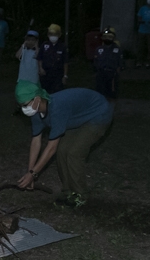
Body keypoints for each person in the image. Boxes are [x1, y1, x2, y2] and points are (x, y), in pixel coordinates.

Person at [15, 80, 113, 208]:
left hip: (98, 113)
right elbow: (36, 141)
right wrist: (30, 172)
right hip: (74, 118)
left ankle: (80, 194)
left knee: (74, 153)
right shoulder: (36, 112)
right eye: (21, 106)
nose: (24, 109)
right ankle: (68, 191)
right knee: (62, 151)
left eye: (26, 104)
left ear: (38, 99)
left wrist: (33, 174)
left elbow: (51, 148)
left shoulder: (57, 108)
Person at [37, 24, 68, 94]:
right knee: (45, 92)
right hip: (46, 73)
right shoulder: (44, 45)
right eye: (51, 34)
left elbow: (65, 62)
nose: (53, 36)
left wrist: (65, 75)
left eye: (55, 34)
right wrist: (40, 68)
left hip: (58, 74)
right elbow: (40, 58)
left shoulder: (62, 46)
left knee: (57, 92)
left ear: (59, 35)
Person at [93, 26, 122, 101]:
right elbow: (95, 61)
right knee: (100, 93)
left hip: (112, 74)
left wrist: (117, 73)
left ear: (113, 38)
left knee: (111, 94)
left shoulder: (117, 49)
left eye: (109, 37)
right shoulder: (99, 49)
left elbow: (120, 63)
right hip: (101, 73)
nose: (107, 39)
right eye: (105, 37)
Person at [136, 0, 150, 68]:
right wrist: (141, 21)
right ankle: (139, 62)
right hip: (142, 31)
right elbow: (139, 17)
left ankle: (148, 62)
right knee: (141, 47)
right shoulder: (143, 8)